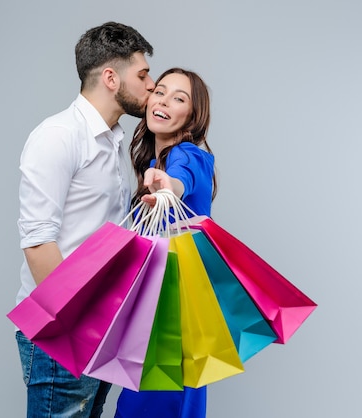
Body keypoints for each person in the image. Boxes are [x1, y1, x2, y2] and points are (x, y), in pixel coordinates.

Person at [14, 22, 154, 418]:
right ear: (111, 78)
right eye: (142, 74)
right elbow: (39, 244)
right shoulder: (57, 136)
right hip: (64, 330)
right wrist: (80, 330)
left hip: (100, 327)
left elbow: (109, 230)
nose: (151, 84)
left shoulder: (116, 139)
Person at [115, 67, 217, 418]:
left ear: (193, 113)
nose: (164, 102)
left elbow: (180, 180)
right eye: (160, 91)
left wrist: (167, 186)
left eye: (179, 98)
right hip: (165, 314)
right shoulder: (152, 161)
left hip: (172, 321)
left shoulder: (189, 157)